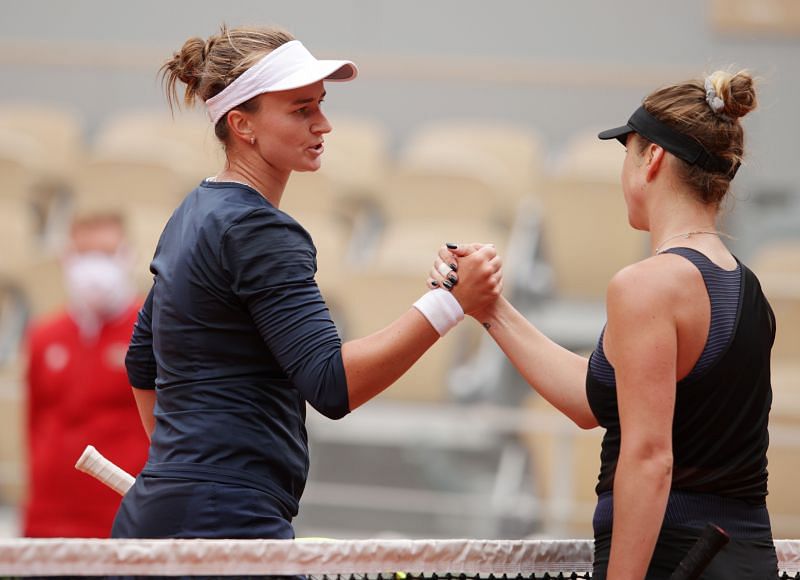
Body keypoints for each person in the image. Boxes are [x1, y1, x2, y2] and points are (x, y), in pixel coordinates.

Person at [111, 24, 501, 541]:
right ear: (242, 124)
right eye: (301, 109)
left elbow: (141, 365)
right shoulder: (257, 227)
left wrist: (180, 470)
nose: (324, 124)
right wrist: (450, 304)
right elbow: (333, 385)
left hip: (163, 514)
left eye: (319, 104)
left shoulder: (192, 212)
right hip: (226, 527)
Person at [432, 70, 776, 579]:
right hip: (744, 559)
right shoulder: (747, 288)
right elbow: (593, 402)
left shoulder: (646, 286)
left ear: (652, 158)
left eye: (627, 153)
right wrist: (490, 308)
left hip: (671, 558)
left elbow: (648, 458)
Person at [24, 211, 149, 537]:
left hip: (124, 519)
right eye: (84, 254)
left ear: (127, 256)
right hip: (48, 519)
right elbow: (34, 422)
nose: (94, 267)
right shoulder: (43, 336)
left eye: (106, 254)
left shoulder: (153, 333)